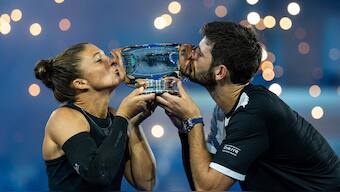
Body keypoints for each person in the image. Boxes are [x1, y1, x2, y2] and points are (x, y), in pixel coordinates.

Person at [156, 21, 340, 191]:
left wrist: (193, 119)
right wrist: (185, 128)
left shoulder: (253, 113)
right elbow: (200, 180)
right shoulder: (225, 110)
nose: (191, 56)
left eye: (200, 54)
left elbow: (207, 189)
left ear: (220, 72)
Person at [34, 43, 156, 191]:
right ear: (80, 83)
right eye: (99, 59)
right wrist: (124, 117)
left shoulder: (114, 117)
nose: (112, 60)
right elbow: (99, 174)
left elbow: (146, 183)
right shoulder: (63, 118)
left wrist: (133, 124)